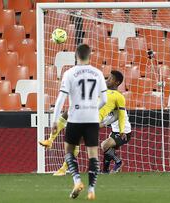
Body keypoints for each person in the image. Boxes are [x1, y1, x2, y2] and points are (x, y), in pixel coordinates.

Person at [40, 70, 130, 174]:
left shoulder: (118, 96)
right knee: (67, 113)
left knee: (77, 140)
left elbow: (120, 116)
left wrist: (121, 129)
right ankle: (50, 140)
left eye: (111, 79)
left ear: (117, 83)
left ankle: (63, 169)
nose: (107, 80)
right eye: (108, 77)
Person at [51, 44, 107, 200]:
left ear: (76, 56)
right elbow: (104, 99)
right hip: (92, 118)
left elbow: (61, 99)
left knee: (69, 150)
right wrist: (93, 108)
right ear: (90, 56)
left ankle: (76, 180)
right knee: (93, 155)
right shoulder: (98, 73)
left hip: (75, 118)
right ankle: (91, 189)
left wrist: (55, 120)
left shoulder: (69, 73)